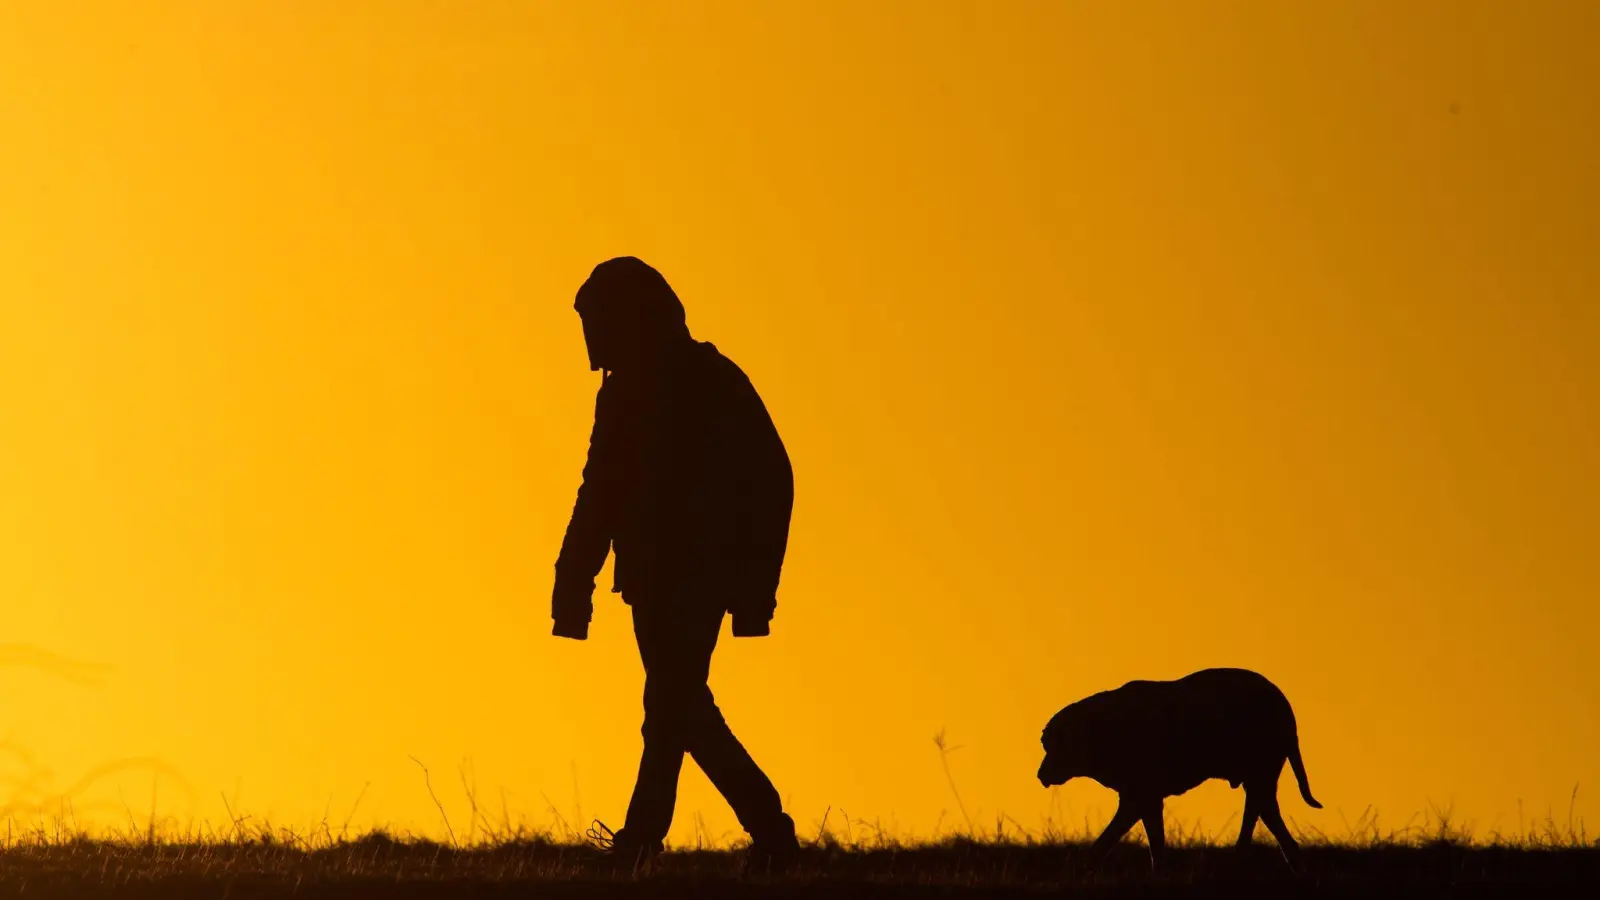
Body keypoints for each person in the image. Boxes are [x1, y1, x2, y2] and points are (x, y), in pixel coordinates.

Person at [551, 256, 800, 872]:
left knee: (675, 704)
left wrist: (754, 589)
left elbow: (771, 480)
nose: (594, 345)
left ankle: (743, 827)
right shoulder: (625, 391)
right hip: (648, 581)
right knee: (673, 706)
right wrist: (572, 584)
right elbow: (600, 489)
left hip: (700, 577)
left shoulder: (710, 382)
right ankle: (671, 837)